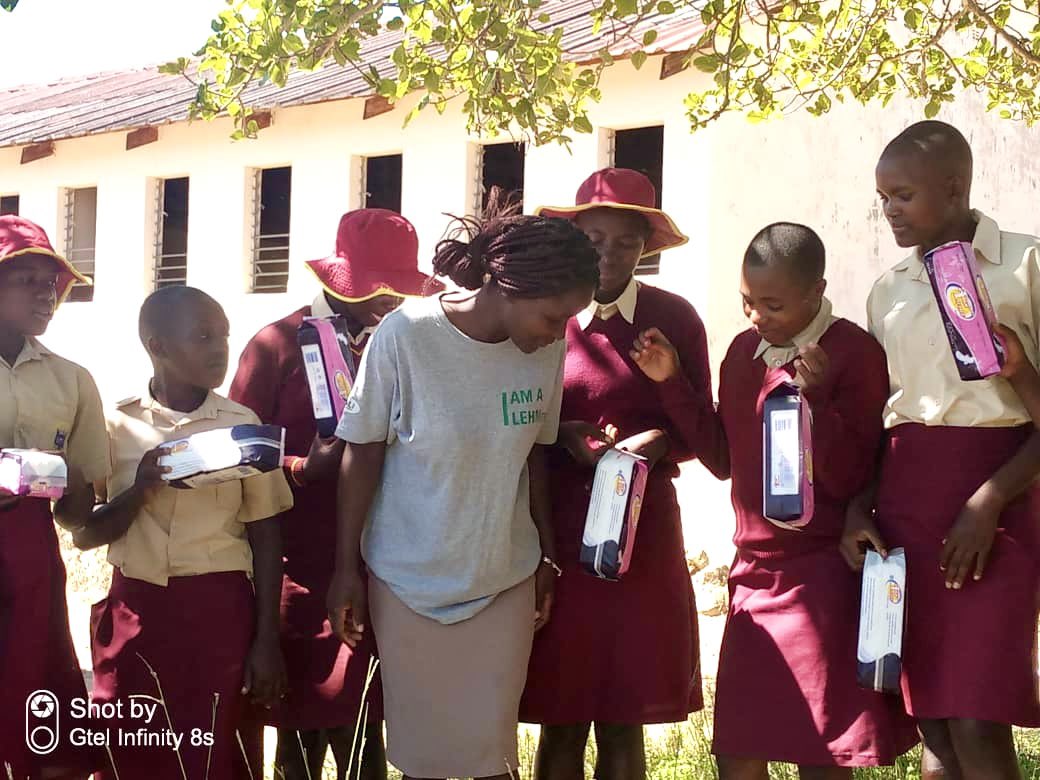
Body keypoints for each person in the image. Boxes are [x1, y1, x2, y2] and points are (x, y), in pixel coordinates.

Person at [326, 192, 601, 780]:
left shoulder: (542, 354)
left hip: (503, 578)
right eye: (554, 318)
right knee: (424, 761)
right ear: (509, 288)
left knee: (492, 757)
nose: (560, 337)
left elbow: (532, 457)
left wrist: (547, 558)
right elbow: (364, 450)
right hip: (407, 584)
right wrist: (346, 567)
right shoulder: (405, 335)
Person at [634, 222, 917, 779]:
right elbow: (723, 460)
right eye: (747, 302)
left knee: (820, 752)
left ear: (816, 291)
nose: (756, 317)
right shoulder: (744, 353)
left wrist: (818, 400)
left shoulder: (853, 353)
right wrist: (671, 383)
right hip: (754, 574)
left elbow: (861, 470)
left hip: (822, 573)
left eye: (773, 304)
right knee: (738, 752)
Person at [845, 120, 1040, 779]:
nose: (889, 211)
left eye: (902, 195)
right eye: (883, 199)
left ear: (953, 189)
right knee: (934, 723)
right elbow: (882, 420)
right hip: (908, 510)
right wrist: (859, 507)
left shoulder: (1025, 265)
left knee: (977, 717)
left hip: (1000, 502)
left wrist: (989, 501)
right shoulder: (887, 289)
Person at [518, 167, 721, 780]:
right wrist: (562, 437)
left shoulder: (674, 318)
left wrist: (658, 441)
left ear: (646, 247)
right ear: (573, 237)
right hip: (558, 532)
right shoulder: (544, 317)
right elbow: (515, 423)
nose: (608, 255)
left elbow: (705, 437)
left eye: (626, 242)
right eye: (594, 239)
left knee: (623, 717)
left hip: (641, 534)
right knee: (561, 714)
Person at [230, 208, 442, 780]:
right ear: (334, 280)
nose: (385, 300)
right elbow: (237, 455)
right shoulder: (275, 346)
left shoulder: (407, 345)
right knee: (301, 730)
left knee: (364, 724)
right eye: (374, 287)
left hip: (384, 562)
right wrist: (302, 467)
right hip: (296, 562)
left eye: (397, 289)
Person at [76, 286, 294, 780]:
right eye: (202, 336)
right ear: (157, 346)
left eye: (223, 335)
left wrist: (266, 640)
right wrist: (141, 488)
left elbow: (265, 535)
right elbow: (86, 535)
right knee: (132, 747)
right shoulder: (114, 425)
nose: (220, 349)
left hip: (218, 613)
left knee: (214, 752)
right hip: (135, 610)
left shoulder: (244, 426)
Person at [0, 215, 108, 779]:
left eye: (54, 283)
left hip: (31, 559)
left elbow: (79, 511)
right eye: (29, 280)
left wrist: (67, 479)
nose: (48, 295)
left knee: (34, 694)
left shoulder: (72, 380)